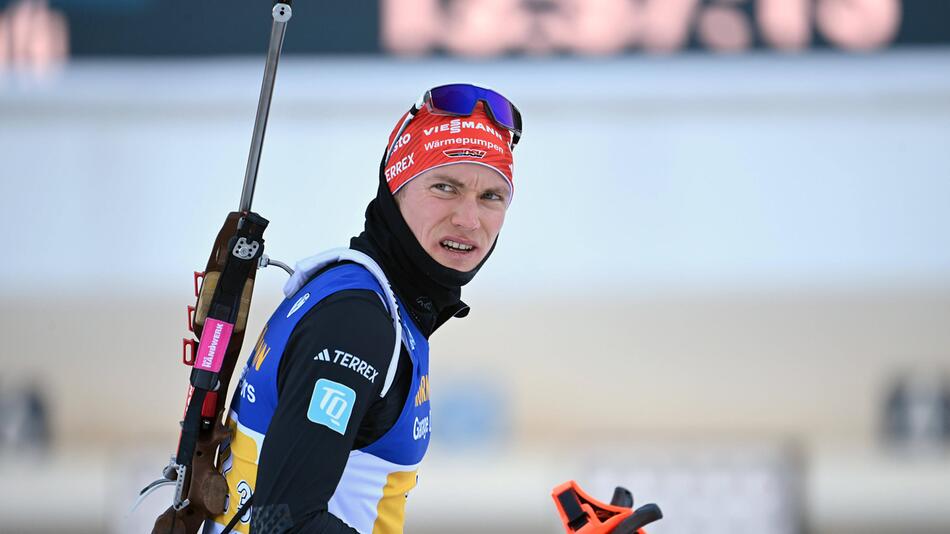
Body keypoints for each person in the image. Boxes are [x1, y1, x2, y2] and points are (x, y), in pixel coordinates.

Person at [202, 83, 522, 534]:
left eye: (491, 196)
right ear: (395, 189)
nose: (469, 220)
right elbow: (284, 524)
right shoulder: (357, 321)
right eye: (445, 187)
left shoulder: (372, 301)